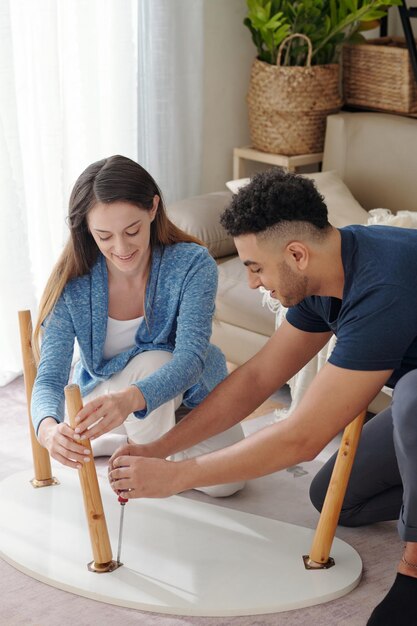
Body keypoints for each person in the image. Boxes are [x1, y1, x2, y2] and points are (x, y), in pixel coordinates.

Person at [108, 168, 417, 625]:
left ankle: (412, 569)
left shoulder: (383, 287)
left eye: (254, 267)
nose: (252, 282)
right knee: (339, 499)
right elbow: (254, 381)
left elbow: (303, 438)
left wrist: (174, 479)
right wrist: (160, 450)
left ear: (296, 254)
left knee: (412, 396)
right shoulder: (323, 275)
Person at [32, 154, 244, 498]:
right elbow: (51, 377)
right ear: (87, 229)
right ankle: (142, 463)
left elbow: (191, 359)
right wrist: (48, 431)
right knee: (152, 361)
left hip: (180, 393)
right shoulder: (73, 283)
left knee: (229, 483)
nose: (121, 248)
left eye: (132, 231)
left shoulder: (192, 263)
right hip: (107, 395)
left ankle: (129, 440)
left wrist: (132, 401)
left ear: (153, 209)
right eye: (104, 236)